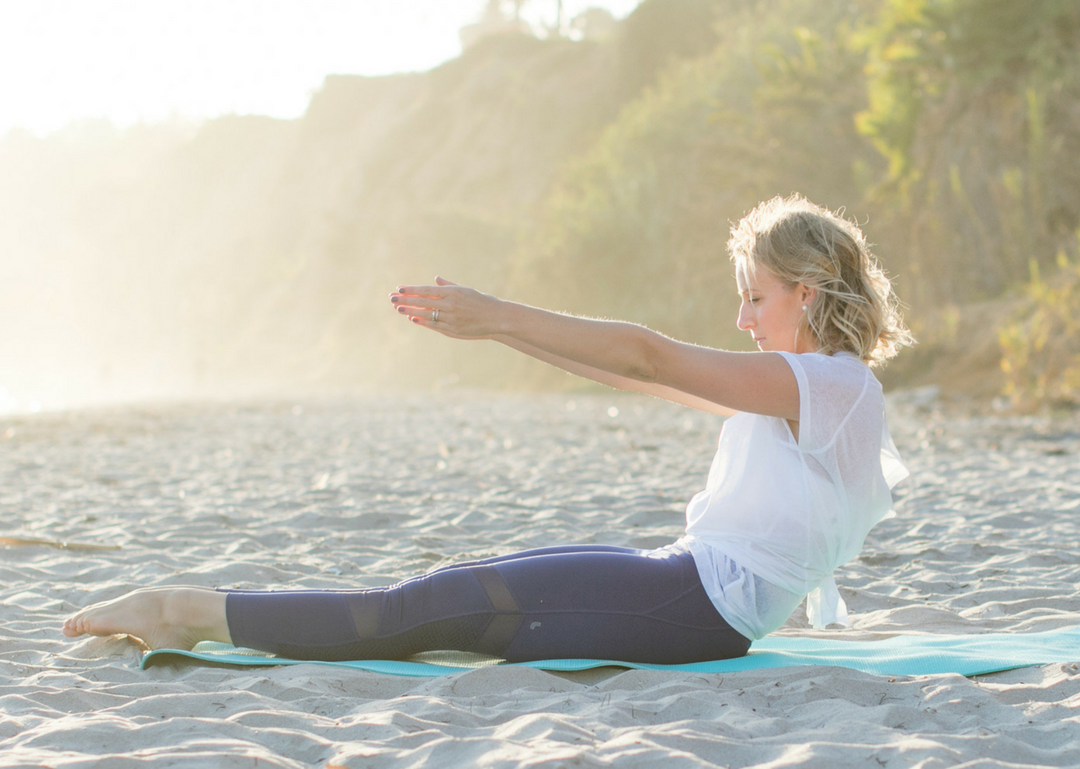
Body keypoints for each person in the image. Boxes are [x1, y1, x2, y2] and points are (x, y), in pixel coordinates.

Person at [62, 194, 912, 664]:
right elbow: (632, 373)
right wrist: (499, 330)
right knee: (454, 588)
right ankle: (197, 613)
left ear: (807, 291)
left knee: (436, 608)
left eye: (754, 296)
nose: (741, 316)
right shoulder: (801, 391)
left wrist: (500, 310)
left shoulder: (832, 389)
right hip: (688, 585)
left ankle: (186, 611)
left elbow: (650, 357)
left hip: (701, 608)